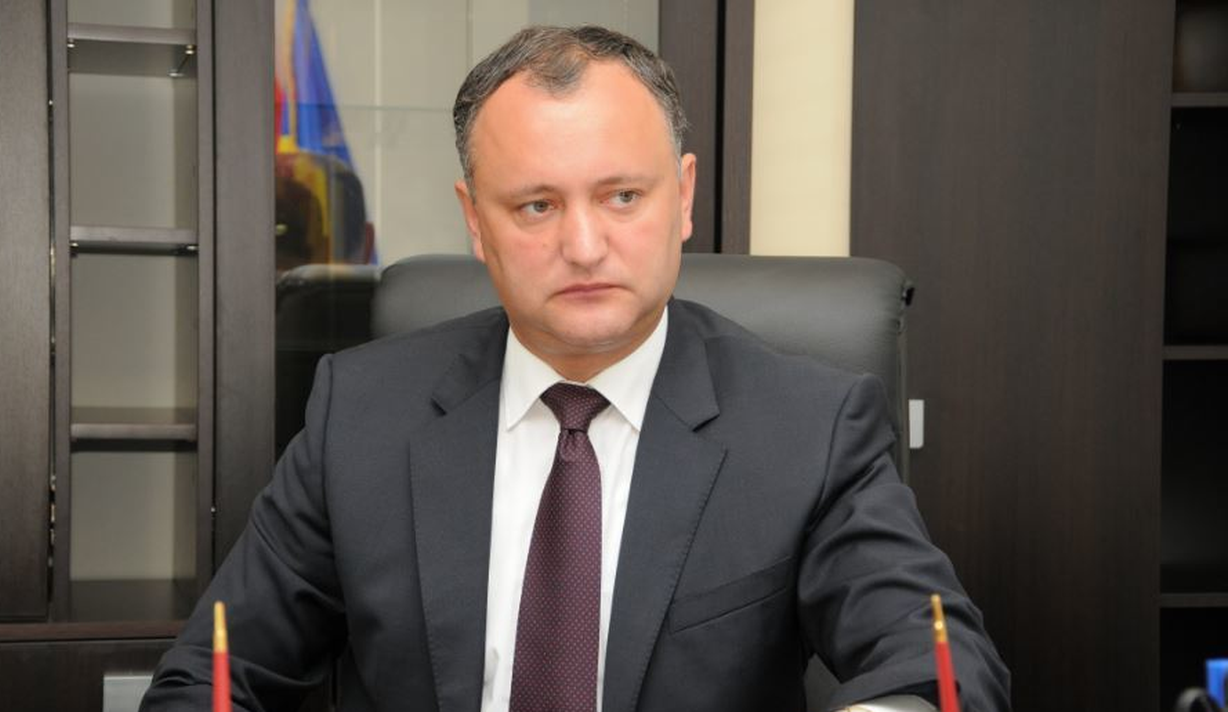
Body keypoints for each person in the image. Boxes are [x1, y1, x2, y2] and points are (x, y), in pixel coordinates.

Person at [143, 25, 1009, 712]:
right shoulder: (361, 414)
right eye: (536, 205)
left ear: (683, 196)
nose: (585, 245)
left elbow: (941, 663)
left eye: (622, 196)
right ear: (475, 222)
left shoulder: (809, 428)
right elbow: (211, 674)